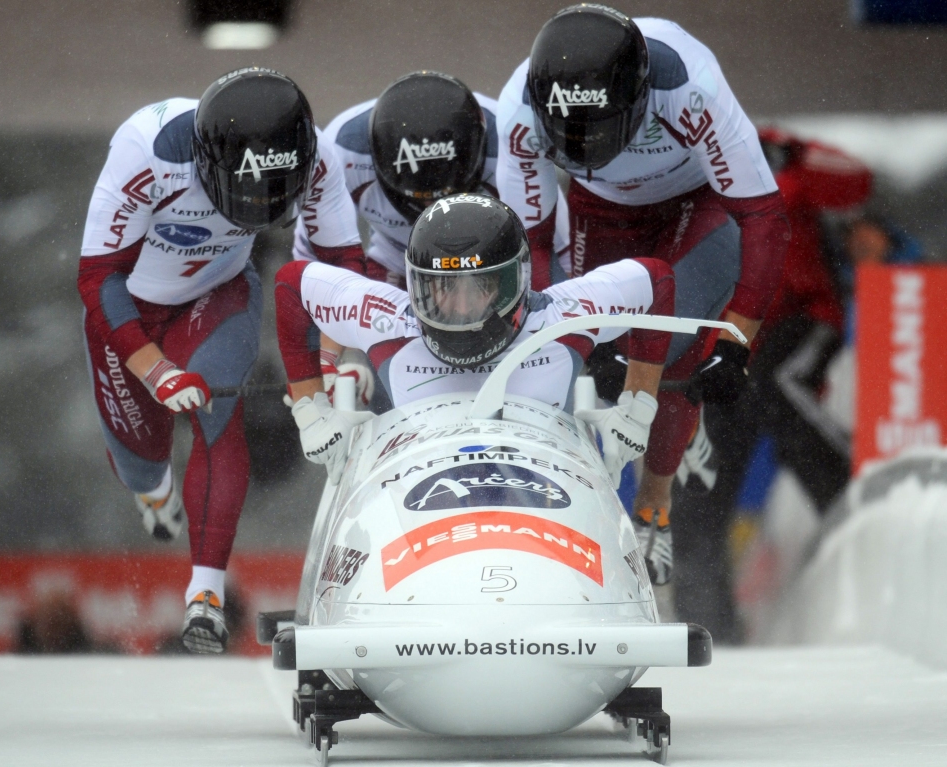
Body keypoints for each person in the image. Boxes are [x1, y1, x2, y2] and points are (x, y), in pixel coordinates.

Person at [495, 5, 790, 584]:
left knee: (667, 334)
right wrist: (561, 331)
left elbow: (762, 216)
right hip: (599, 212)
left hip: (698, 202)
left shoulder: (688, 86)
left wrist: (737, 341)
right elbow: (528, 242)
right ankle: (562, 515)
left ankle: (655, 505)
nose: (586, 146)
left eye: (598, 131)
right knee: (577, 356)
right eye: (570, 137)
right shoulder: (517, 114)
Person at [78, 67, 364, 653]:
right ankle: (155, 493)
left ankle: (204, 593)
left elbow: (341, 268)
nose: (256, 209)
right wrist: (156, 370)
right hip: (128, 310)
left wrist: (330, 365)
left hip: (219, 293)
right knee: (140, 459)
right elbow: (97, 279)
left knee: (216, 412)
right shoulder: (147, 151)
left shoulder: (318, 160)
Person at [275, 194, 677, 487]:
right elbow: (291, 286)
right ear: (415, 286)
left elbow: (657, 279)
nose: (461, 308)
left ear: (514, 282)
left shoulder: (564, 315)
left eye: (481, 287)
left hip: (549, 492)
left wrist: (639, 403)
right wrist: (311, 406)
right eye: (442, 290)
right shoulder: (389, 319)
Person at [672, 129, 874, 641]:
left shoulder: (783, 177)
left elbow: (854, 182)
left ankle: (855, 503)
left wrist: (790, 146)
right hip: (726, 353)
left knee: (781, 392)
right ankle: (707, 631)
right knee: (700, 482)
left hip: (798, 323)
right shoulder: (681, 204)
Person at [294, 71, 572, 407]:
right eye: (418, 196)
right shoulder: (342, 151)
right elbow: (318, 276)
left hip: (491, 270)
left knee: (542, 365)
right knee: (394, 385)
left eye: (444, 195)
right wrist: (329, 366)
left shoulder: (509, 145)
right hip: (396, 260)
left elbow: (543, 251)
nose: (429, 207)